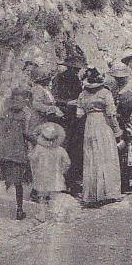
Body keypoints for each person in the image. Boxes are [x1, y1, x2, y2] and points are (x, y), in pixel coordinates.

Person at [76, 68, 123, 207]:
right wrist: (117, 132)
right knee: (106, 155)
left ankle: (91, 194)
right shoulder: (105, 93)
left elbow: (79, 114)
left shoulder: (83, 94)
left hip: (89, 125)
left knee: (92, 157)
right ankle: (108, 192)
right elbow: (111, 114)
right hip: (103, 125)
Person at [0, 88, 32, 220]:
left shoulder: (4, 113)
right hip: (17, 152)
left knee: (9, 178)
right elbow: (26, 133)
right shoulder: (24, 115)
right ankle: (19, 210)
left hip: (3, 152)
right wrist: (36, 141)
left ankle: (9, 204)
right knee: (18, 182)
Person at [51, 55, 86, 195]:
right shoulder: (64, 79)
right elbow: (55, 98)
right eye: (75, 69)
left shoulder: (70, 79)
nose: (76, 71)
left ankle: (68, 183)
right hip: (67, 118)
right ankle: (67, 183)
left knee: (71, 150)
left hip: (69, 118)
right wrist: (68, 103)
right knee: (69, 149)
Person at [29, 122, 71, 222]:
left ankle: (42, 214)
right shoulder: (60, 150)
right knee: (54, 197)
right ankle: (54, 214)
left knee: (42, 197)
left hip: (42, 176)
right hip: (56, 176)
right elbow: (67, 162)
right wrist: (62, 171)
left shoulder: (39, 148)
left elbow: (32, 158)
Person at [29, 68, 64, 132]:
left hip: (44, 117)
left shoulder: (44, 88)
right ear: (42, 80)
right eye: (47, 79)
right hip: (38, 118)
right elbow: (37, 104)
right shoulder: (38, 89)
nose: (49, 80)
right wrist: (51, 108)